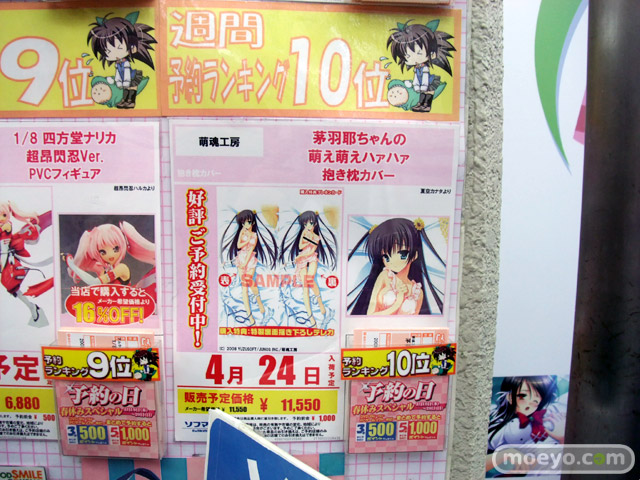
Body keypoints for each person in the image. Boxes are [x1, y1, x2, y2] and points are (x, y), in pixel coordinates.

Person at [348, 217, 444, 315]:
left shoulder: (417, 292)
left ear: (415, 255)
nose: (393, 262)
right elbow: (370, 314)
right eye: (386, 257)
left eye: (402, 254)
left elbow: (414, 320)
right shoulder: (385, 277)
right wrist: (398, 302)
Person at [63, 221, 156, 298]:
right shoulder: (104, 271)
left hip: (125, 305)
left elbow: (94, 282)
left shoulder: (121, 268)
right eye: (103, 252)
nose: (111, 255)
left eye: (116, 249)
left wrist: (71, 264)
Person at [87, 11, 156, 109]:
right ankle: (124, 101)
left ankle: (130, 101)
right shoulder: (118, 63)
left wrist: (125, 82)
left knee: (131, 88)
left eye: (119, 48)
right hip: (124, 78)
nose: (114, 55)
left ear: (132, 46)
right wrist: (118, 81)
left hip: (131, 76)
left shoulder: (125, 63)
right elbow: (118, 73)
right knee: (125, 89)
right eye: (107, 51)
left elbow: (126, 73)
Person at [279, 211, 337, 328]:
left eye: (310, 223)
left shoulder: (316, 237)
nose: (308, 226)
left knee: (310, 280)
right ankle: (311, 318)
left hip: (311, 257)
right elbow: (300, 246)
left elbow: (311, 251)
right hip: (302, 258)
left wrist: (305, 247)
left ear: (315, 223)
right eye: (305, 224)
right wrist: (306, 240)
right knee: (305, 287)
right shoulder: (304, 232)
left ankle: (319, 301)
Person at [220, 210, 277, 326]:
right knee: (244, 289)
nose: (246, 225)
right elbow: (238, 245)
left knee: (249, 282)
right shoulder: (242, 232)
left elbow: (251, 249)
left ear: (253, 223)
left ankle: (259, 302)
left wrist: (245, 262)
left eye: (249, 222)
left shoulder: (254, 235)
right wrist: (245, 239)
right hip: (241, 258)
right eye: (244, 222)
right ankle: (250, 317)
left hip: (249, 260)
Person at [0, 201, 53, 327]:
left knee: (12, 288)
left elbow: (4, 248)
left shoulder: (6, 225)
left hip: (5, 260)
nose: (1, 218)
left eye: (3, 215)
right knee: (13, 290)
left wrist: (2, 267)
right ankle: (32, 308)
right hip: (3, 258)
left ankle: (33, 308)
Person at [387, 20, 455, 112]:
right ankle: (420, 104)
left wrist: (422, 86)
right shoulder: (417, 68)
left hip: (429, 81)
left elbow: (425, 77)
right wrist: (416, 85)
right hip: (421, 82)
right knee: (422, 92)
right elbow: (416, 77)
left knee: (428, 91)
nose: (414, 59)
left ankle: (427, 105)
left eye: (419, 53)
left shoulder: (425, 68)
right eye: (407, 56)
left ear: (432, 53)